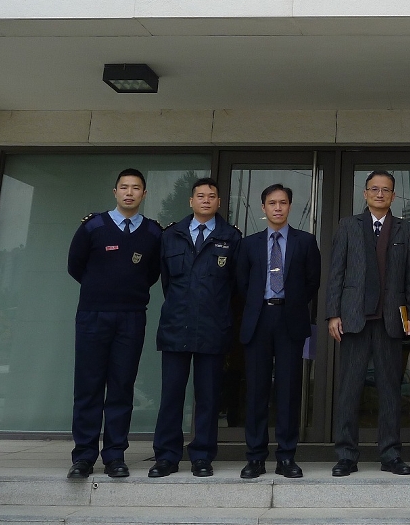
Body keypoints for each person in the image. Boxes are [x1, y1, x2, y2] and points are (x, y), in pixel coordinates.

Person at [65, 169, 163, 480]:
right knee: (88, 387)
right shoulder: (93, 226)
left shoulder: (153, 232)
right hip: (93, 315)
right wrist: (101, 289)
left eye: (136, 188)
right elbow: (75, 265)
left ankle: (115, 455)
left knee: (122, 386)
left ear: (144, 194)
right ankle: (83, 456)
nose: (129, 193)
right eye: (124, 187)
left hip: (131, 316)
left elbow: (152, 273)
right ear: (115, 191)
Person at [325, 170, 410, 477]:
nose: (380, 194)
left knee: (390, 390)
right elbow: (336, 272)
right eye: (374, 189)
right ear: (365, 193)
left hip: (390, 320)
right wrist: (333, 314)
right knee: (349, 390)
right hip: (354, 319)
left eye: (386, 190)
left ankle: (390, 454)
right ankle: (346, 455)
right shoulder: (348, 226)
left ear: (393, 195)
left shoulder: (406, 229)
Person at [149, 178, 243, 478]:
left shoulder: (231, 237)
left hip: (212, 328)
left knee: (208, 397)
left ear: (219, 202)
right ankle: (166, 456)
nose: (205, 200)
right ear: (191, 201)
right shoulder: (171, 235)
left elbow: (236, 286)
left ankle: (202, 456)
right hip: (176, 325)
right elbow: (167, 282)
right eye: (200, 196)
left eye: (211, 196)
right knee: (171, 396)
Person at [237, 183, 321, 480]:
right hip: (258, 319)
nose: (277, 207)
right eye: (272, 203)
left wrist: (292, 302)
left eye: (282, 202)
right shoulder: (249, 244)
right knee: (256, 391)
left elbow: (312, 281)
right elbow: (241, 283)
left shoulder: (305, 241)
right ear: (263, 207)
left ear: (290, 206)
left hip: (290, 319)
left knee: (288, 391)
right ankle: (255, 457)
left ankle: (286, 456)